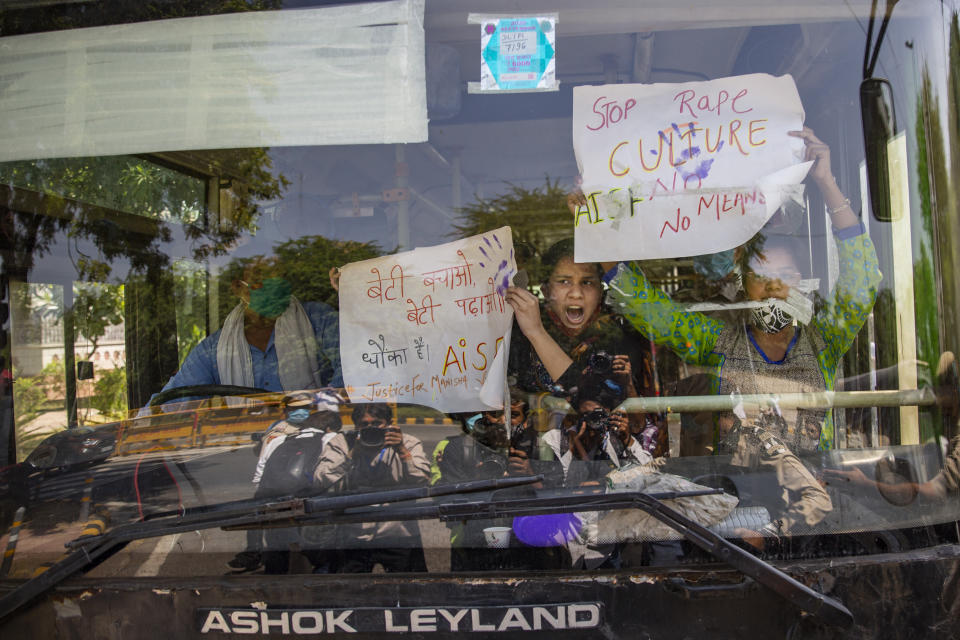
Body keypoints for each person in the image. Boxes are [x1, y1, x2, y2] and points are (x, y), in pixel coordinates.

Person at [600, 128, 882, 453]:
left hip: (810, 492)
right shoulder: (720, 344)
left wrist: (827, 182)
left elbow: (861, 284)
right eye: (761, 274)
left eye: (785, 274)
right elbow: (654, 313)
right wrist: (596, 227)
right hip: (740, 491)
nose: (774, 286)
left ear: (800, 280)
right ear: (743, 282)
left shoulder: (823, 342)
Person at [505, 238, 668, 457]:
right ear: (545, 290)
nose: (575, 293)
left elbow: (590, 402)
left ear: (601, 291)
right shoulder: (519, 334)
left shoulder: (619, 336)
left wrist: (536, 332)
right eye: (563, 281)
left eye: (587, 282)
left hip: (608, 470)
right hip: (531, 469)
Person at [152, 256, 341, 406]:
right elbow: (172, 400)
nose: (270, 288)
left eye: (277, 281)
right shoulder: (216, 349)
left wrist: (323, 407)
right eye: (260, 281)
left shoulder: (318, 320)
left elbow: (352, 370)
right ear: (238, 288)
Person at [431, 397, 564, 571]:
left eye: (513, 415)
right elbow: (447, 503)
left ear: (525, 420)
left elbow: (559, 502)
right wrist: (475, 481)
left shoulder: (538, 449)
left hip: (530, 551)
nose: (503, 421)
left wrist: (530, 475)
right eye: (496, 414)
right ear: (485, 415)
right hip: (475, 550)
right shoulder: (459, 449)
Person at [313, 403, 430, 573]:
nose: (371, 429)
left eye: (377, 424)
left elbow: (422, 481)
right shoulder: (343, 442)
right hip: (354, 532)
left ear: (390, 423)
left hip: (399, 532)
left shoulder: (407, 441)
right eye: (364, 425)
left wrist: (402, 451)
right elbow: (321, 480)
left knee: (410, 588)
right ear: (355, 426)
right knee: (349, 590)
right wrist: (352, 454)